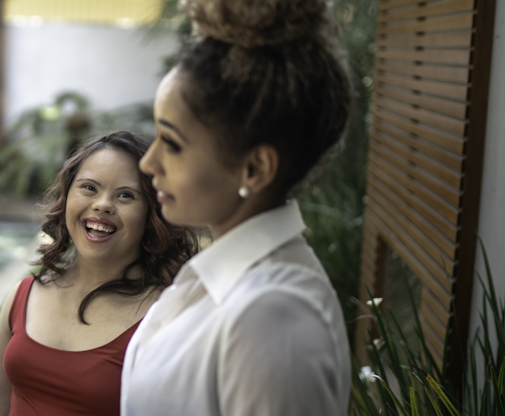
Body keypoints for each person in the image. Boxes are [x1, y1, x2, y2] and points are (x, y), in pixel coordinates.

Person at [121, 0, 354, 415]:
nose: (148, 163)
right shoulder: (225, 282)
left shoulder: (272, 318)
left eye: (172, 143)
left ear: (255, 169)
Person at [0, 131, 198, 416]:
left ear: (151, 214)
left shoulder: (167, 313)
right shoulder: (25, 294)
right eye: (89, 188)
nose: (102, 204)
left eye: (126, 195)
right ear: (66, 196)